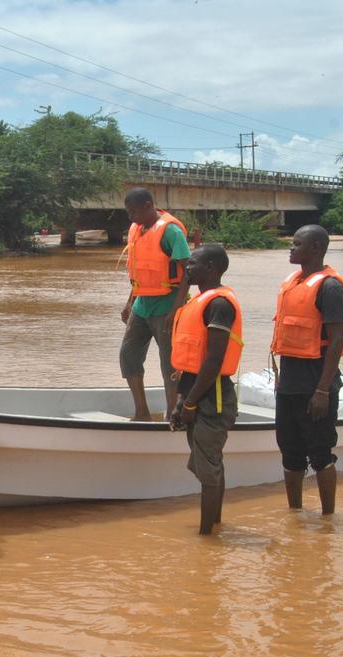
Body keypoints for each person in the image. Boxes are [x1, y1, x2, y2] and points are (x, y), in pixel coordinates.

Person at [270, 225, 343, 516]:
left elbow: (336, 340)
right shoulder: (292, 282)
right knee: (290, 453)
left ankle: (328, 521)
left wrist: (322, 390)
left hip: (315, 385)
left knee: (320, 453)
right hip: (289, 385)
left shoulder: (330, 287)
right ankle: (296, 517)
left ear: (316, 248)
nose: (291, 248)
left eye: (297, 243)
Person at [168, 245, 243, 534]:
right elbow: (175, 333)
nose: (186, 268)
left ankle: (207, 538)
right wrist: (182, 400)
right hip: (194, 391)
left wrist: (191, 403)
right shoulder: (197, 301)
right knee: (209, 465)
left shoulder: (219, 304)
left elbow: (213, 361)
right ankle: (214, 526)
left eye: (193, 264)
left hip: (213, 396)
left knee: (209, 468)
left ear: (211, 268)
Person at [120, 187, 191, 421]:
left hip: (167, 305)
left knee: (169, 365)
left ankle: (173, 415)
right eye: (128, 213)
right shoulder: (136, 230)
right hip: (141, 305)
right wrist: (129, 302)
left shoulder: (171, 231)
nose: (131, 217)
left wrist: (176, 309)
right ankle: (142, 412)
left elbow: (188, 272)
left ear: (148, 206)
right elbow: (140, 272)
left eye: (134, 212)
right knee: (128, 355)